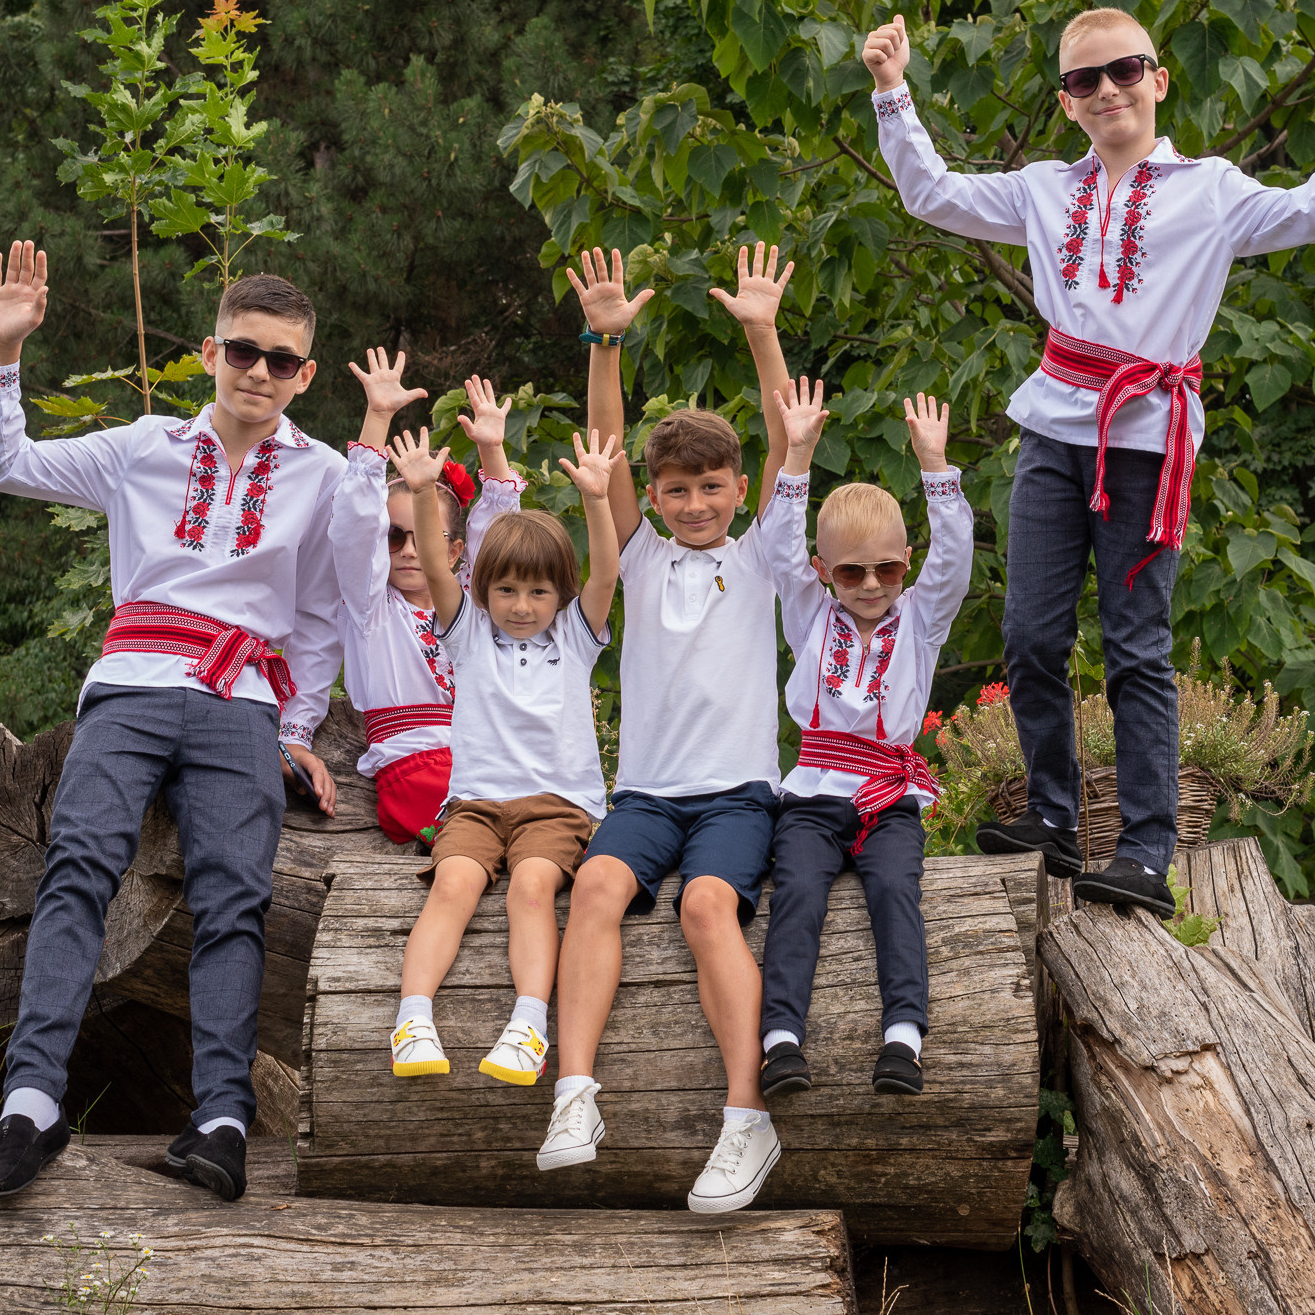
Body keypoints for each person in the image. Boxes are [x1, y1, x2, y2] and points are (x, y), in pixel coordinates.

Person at [859, 7, 1315, 915]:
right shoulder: (1041, 190)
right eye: (1084, 80)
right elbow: (933, 194)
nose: (1107, 89)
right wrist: (891, 92)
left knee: (1136, 649)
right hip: (1052, 429)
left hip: (1148, 437)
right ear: (1067, 103)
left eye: (1124, 71)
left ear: (1158, 79)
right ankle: (1053, 816)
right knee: (1031, 634)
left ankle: (1148, 848)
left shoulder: (1212, 189)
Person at [0, 243, 343, 1203]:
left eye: (283, 360)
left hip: (239, 704)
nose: (260, 373)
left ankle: (221, 1118)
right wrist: (2, 355)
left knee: (234, 898)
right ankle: (32, 1104)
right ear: (212, 354)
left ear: (306, 373)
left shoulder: (327, 476)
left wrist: (297, 728)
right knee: (77, 869)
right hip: (132, 685)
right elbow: (0, 463)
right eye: (243, 352)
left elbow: (321, 616)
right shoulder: (142, 448)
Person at [539, 244, 796, 1214]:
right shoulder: (638, 556)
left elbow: (784, 438)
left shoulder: (765, 552)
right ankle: (575, 1096)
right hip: (644, 794)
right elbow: (603, 451)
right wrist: (605, 341)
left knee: (704, 909)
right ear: (654, 497)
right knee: (595, 885)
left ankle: (746, 1121)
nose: (695, 504)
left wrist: (762, 333)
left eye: (711, 487)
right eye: (677, 490)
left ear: (735, 489)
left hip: (734, 793)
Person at [384, 425, 623, 1088]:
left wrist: (598, 500)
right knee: (453, 885)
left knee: (530, 887)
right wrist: (421, 488)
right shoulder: (469, 635)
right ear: (483, 589)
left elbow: (606, 568)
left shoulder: (577, 637)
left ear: (561, 595)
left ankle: (528, 1024)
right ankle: (412, 1017)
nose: (522, 607)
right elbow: (435, 564)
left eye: (539, 592)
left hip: (557, 808)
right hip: (476, 805)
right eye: (508, 591)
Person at [754, 380, 970, 1098]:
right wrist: (799, 454)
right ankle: (780, 1038)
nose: (871, 583)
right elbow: (777, 548)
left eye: (888, 568)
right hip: (813, 793)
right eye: (852, 571)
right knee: (798, 896)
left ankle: (903, 1038)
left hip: (888, 796)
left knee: (893, 891)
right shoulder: (808, 613)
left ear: (906, 563)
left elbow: (956, 559)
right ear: (824, 572)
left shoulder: (921, 618)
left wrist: (935, 467)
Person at [336, 353, 523, 846]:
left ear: (456, 550)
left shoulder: (470, 603)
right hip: (416, 769)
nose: (411, 551)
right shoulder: (371, 608)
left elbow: (502, 541)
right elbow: (355, 526)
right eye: (394, 537)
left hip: (487, 757)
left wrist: (492, 449)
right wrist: (378, 416)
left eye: (427, 536)